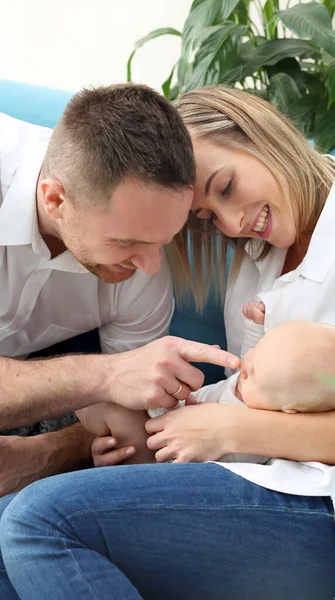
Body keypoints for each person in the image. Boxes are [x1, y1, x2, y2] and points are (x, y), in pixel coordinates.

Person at [2, 85, 335, 600]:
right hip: (250, 478)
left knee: (39, 521)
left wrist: (237, 428)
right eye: (208, 216)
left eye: (226, 186)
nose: (231, 223)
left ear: (256, 130)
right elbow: (235, 390)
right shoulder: (256, 253)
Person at [0, 83, 239, 599]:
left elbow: (129, 428)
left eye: (165, 241)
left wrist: (51, 451)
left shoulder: (141, 266)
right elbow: (114, 382)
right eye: (128, 243)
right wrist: (107, 375)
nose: (151, 266)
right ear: (54, 198)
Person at [77, 319, 335, 464]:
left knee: (106, 404)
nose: (246, 364)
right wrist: (254, 327)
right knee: (109, 396)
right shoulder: (261, 386)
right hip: (164, 417)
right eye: (257, 349)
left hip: (158, 457)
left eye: (253, 375)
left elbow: (196, 461)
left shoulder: (251, 443)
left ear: (287, 410)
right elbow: (247, 364)